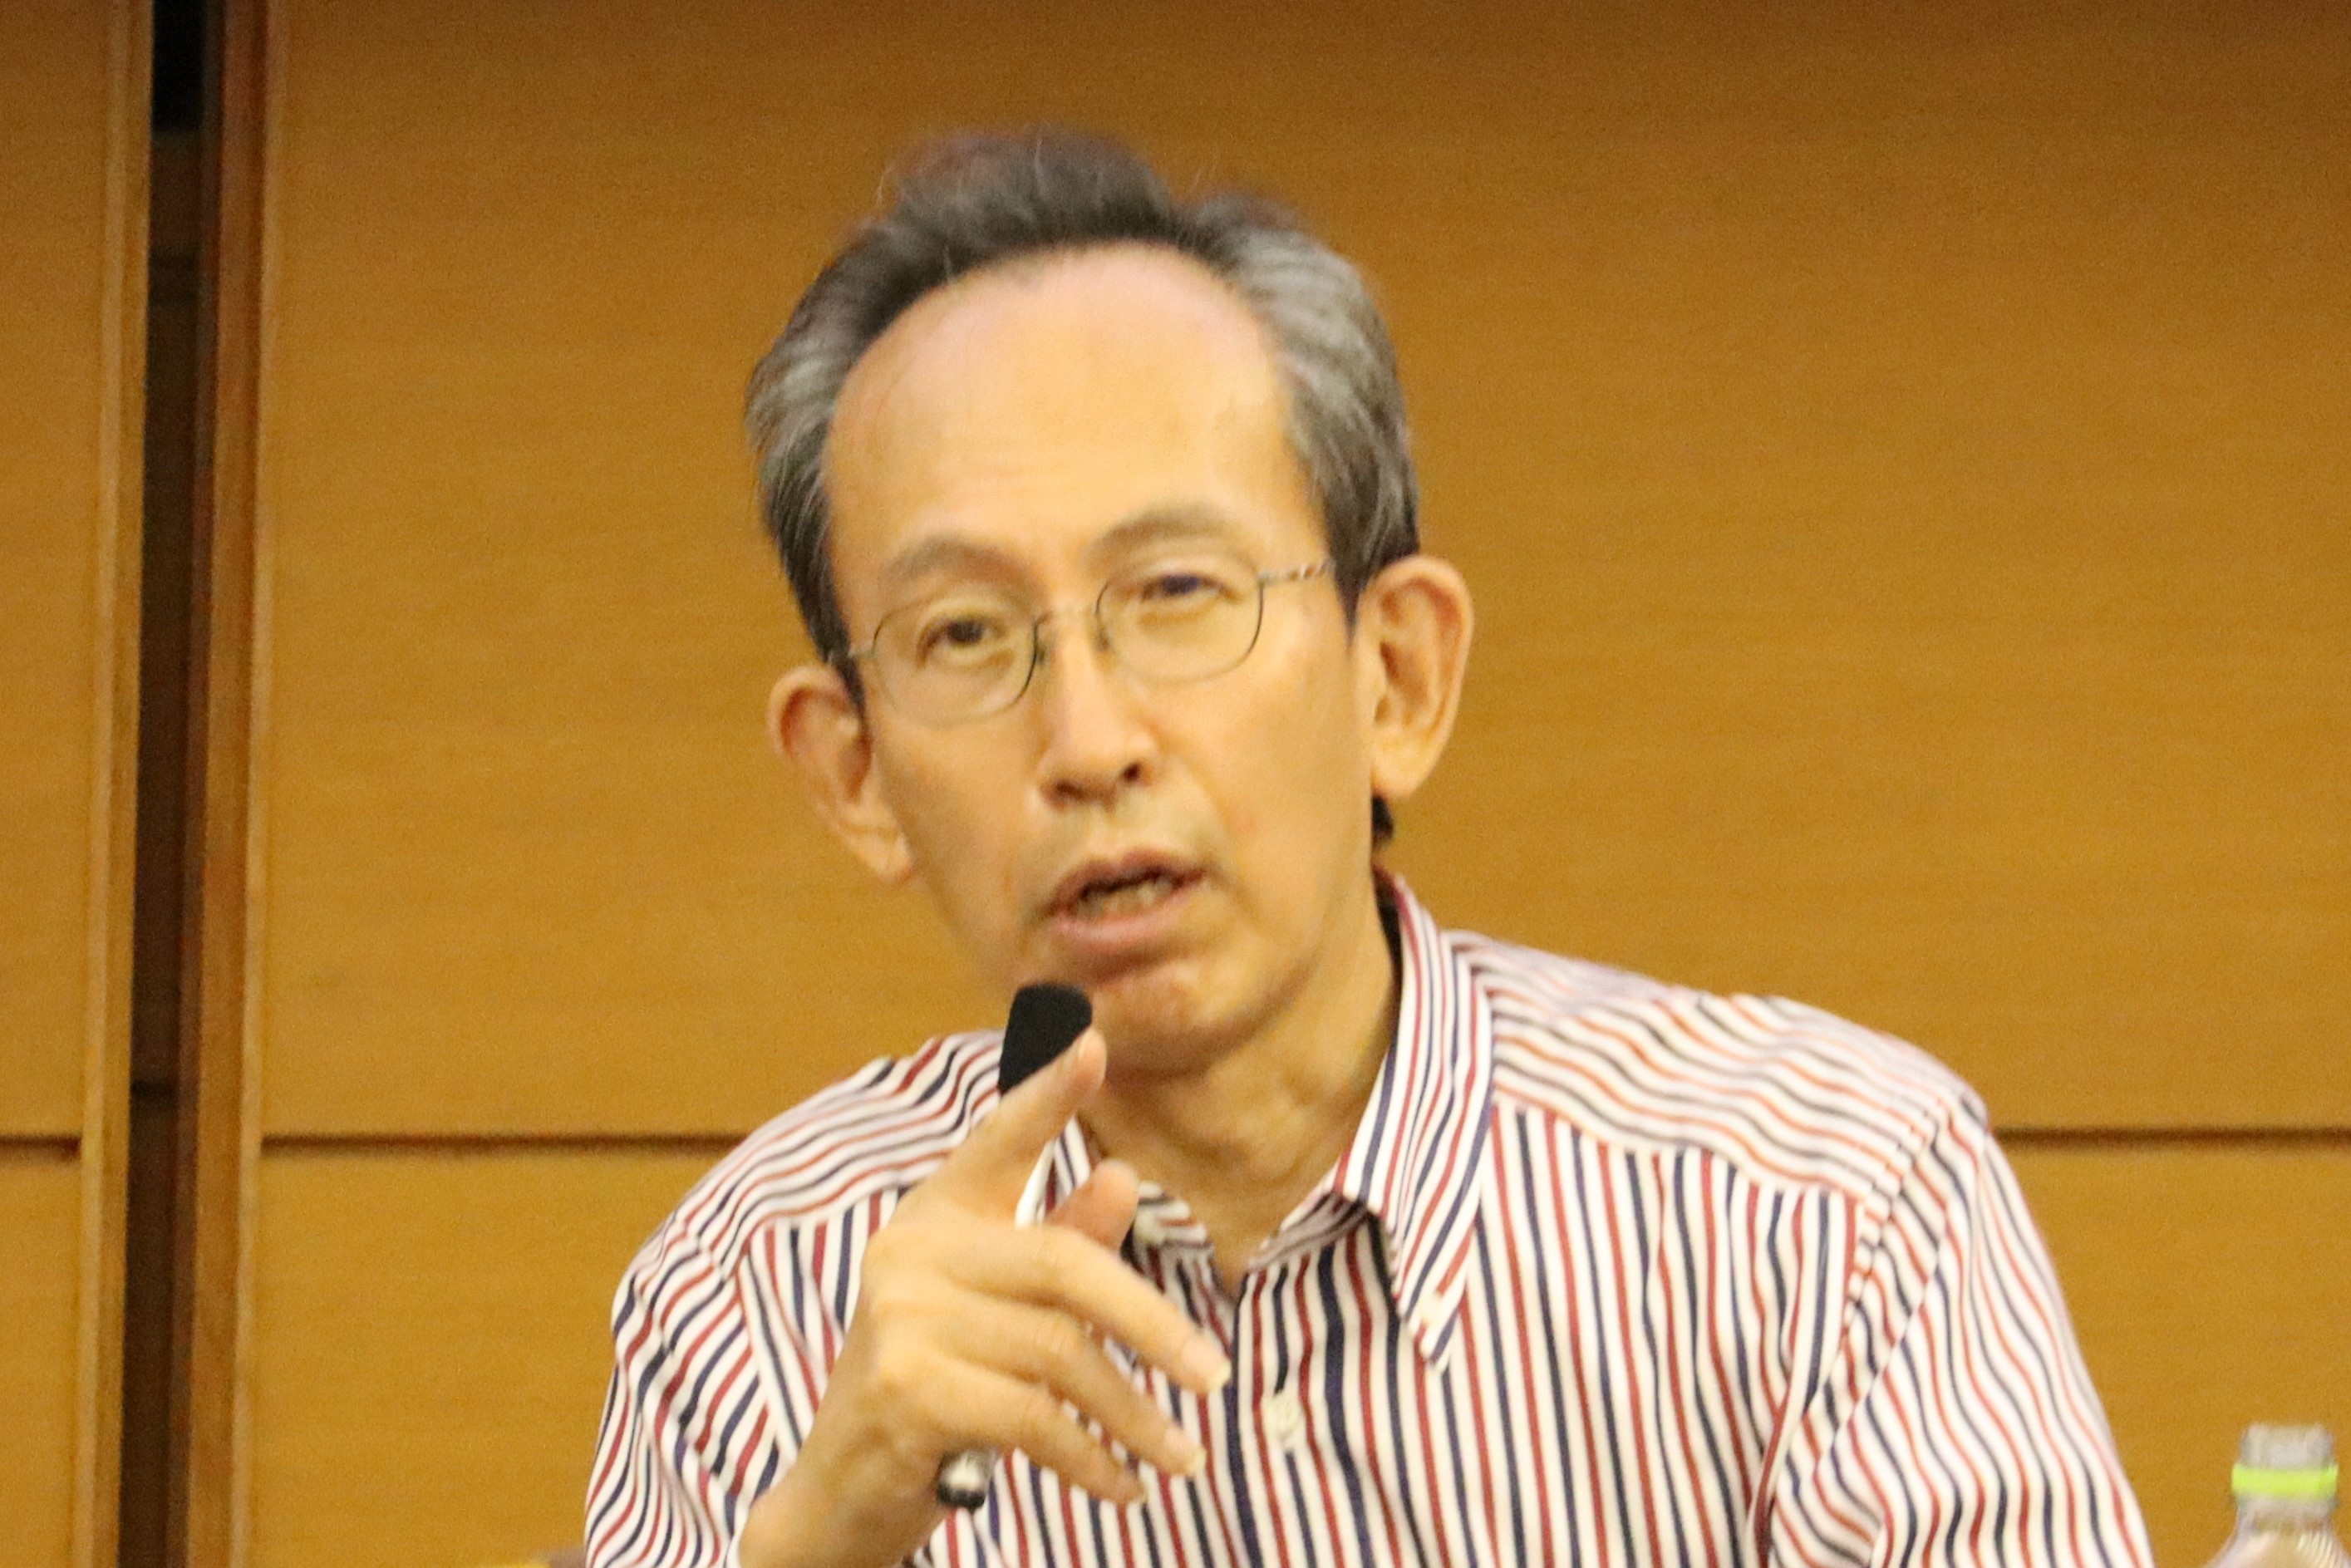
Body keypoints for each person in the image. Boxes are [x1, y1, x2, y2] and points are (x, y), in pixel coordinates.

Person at [586, 130, 2152, 1568]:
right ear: (855, 772)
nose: (1088, 742)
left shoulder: (1823, 1206)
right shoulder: (754, 1299)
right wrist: (827, 1528)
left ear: (1394, 675)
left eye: (1178, 595)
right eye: (965, 634)